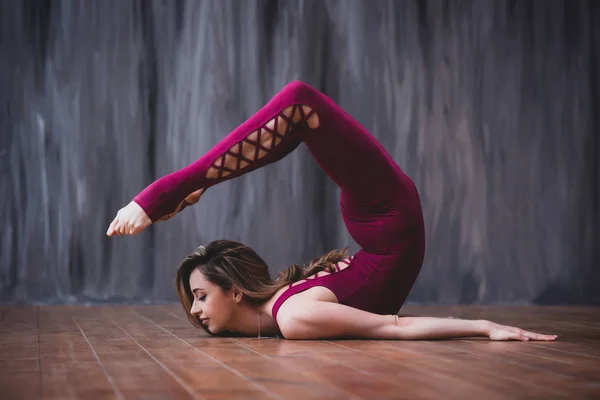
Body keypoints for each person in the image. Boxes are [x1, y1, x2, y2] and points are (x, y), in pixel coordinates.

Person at [107, 81, 557, 342]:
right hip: (387, 221)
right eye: (194, 300)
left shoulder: (291, 315)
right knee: (299, 108)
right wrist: (487, 328)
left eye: (201, 296)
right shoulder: (293, 316)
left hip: (380, 222)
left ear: (236, 292)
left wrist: (484, 329)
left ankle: (171, 191)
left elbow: (393, 328)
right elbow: (393, 328)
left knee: (300, 106)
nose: (195, 311)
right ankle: (182, 188)